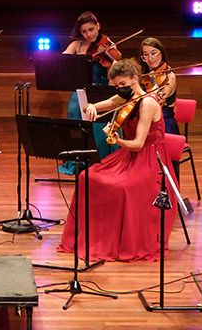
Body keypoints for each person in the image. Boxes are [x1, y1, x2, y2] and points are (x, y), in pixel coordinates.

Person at [63, 58, 173, 263]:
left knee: (122, 187)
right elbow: (106, 103)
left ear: (135, 79)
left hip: (149, 159)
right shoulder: (127, 96)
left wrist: (116, 139)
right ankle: (97, 236)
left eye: (123, 84)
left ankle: (117, 239)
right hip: (129, 155)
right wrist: (91, 107)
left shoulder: (147, 103)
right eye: (116, 86)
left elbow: (139, 144)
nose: (119, 89)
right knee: (87, 177)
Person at [61, 11, 119, 172]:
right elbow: (61, 64)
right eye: (84, 32)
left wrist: (109, 58)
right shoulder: (76, 45)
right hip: (82, 90)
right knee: (74, 110)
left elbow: (117, 70)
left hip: (101, 90)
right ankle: (77, 161)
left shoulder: (107, 45)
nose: (88, 35)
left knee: (99, 120)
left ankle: (100, 161)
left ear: (98, 26)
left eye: (91, 30)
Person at [137, 36, 179, 135]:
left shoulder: (170, 76)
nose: (150, 58)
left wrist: (154, 80)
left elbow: (158, 99)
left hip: (164, 124)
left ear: (161, 53)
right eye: (145, 55)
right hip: (145, 121)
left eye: (154, 53)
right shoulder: (143, 76)